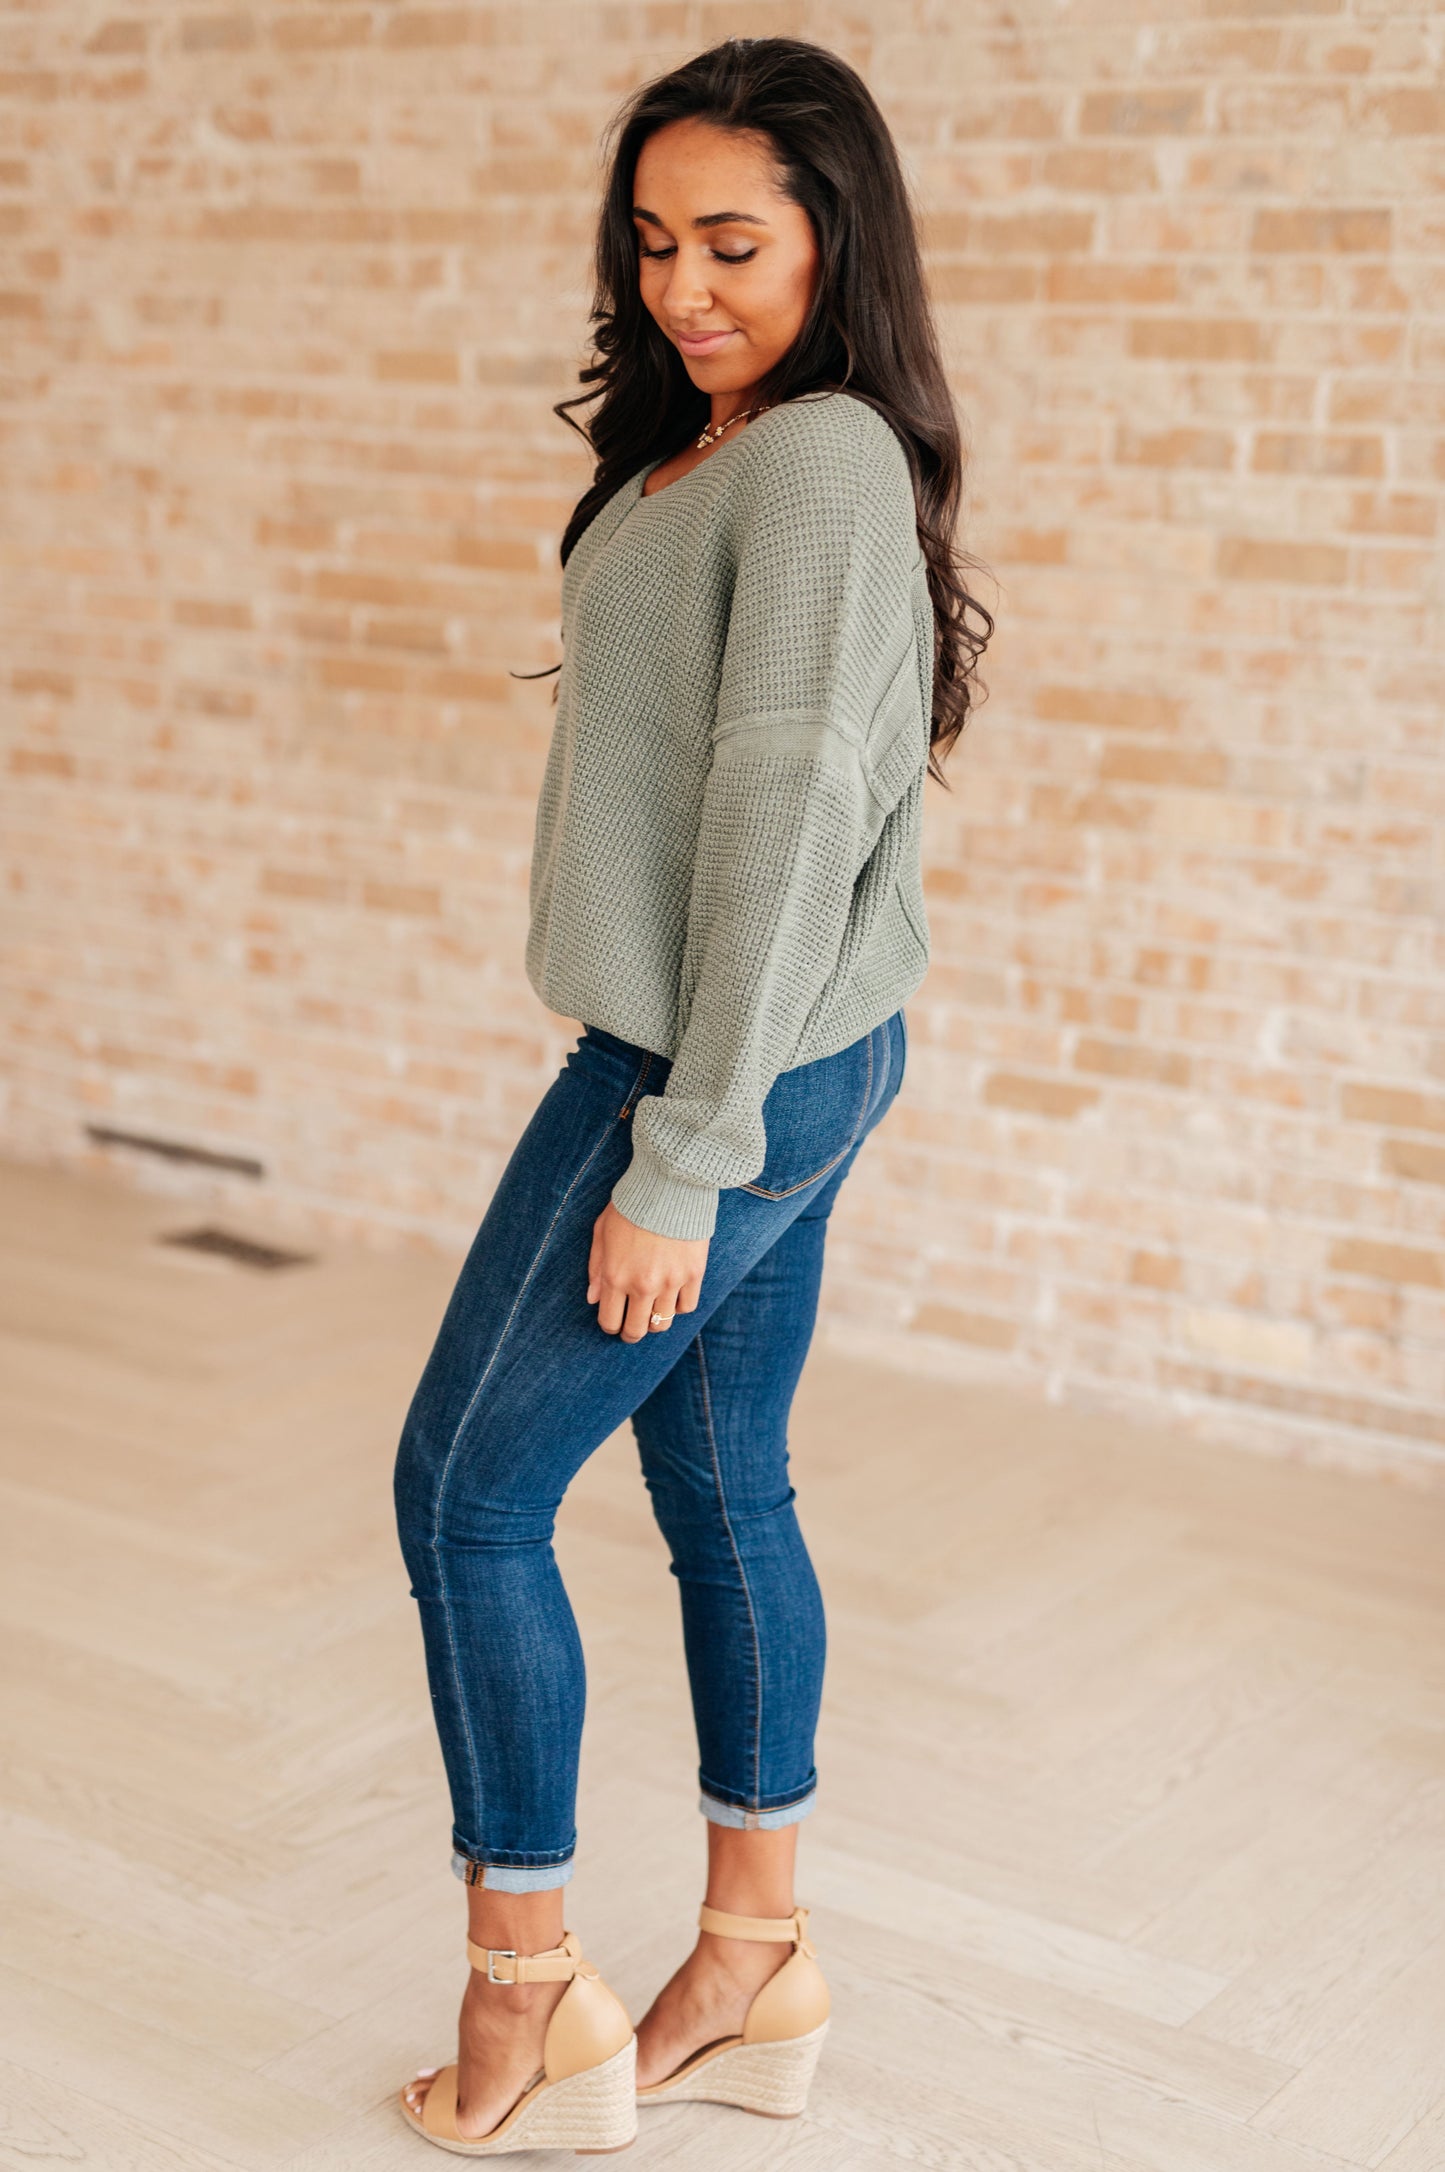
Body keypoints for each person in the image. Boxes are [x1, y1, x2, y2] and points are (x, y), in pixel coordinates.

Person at [391, 32, 991, 2157]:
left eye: (733, 241)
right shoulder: (722, 441)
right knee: (722, 1487)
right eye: (651, 242)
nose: (684, 285)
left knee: (465, 1497)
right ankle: (754, 1953)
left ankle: (529, 1997)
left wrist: (689, 1152)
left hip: (712, 1070)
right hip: (781, 1050)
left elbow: (777, 818)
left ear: (840, 236)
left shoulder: (816, 458)